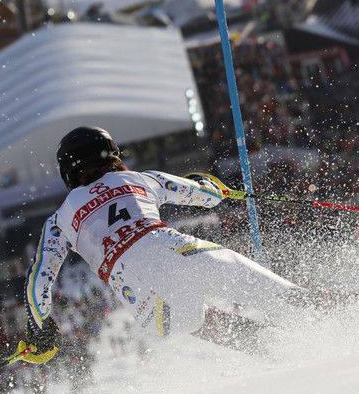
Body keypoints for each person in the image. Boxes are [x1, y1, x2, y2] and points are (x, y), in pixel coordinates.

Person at [17, 126, 297, 364]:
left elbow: (38, 280)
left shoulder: (59, 220)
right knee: (274, 292)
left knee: (192, 321)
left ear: (68, 170)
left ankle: (271, 348)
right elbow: (206, 196)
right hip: (173, 250)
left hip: (143, 302)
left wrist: (40, 329)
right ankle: (311, 324)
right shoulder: (140, 178)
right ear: (111, 153)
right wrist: (211, 185)